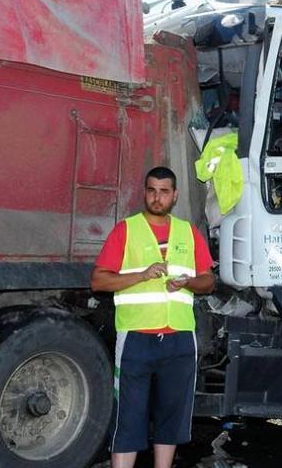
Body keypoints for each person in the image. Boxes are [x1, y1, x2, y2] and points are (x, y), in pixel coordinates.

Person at [91, 166, 215, 468]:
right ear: (145, 192)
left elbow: (208, 281)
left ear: (174, 196)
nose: (156, 197)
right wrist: (142, 275)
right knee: (129, 415)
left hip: (180, 338)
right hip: (136, 338)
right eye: (151, 190)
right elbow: (99, 282)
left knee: (171, 415)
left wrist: (188, 282)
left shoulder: (189, 233)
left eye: (163, 191)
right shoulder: (126, 230)